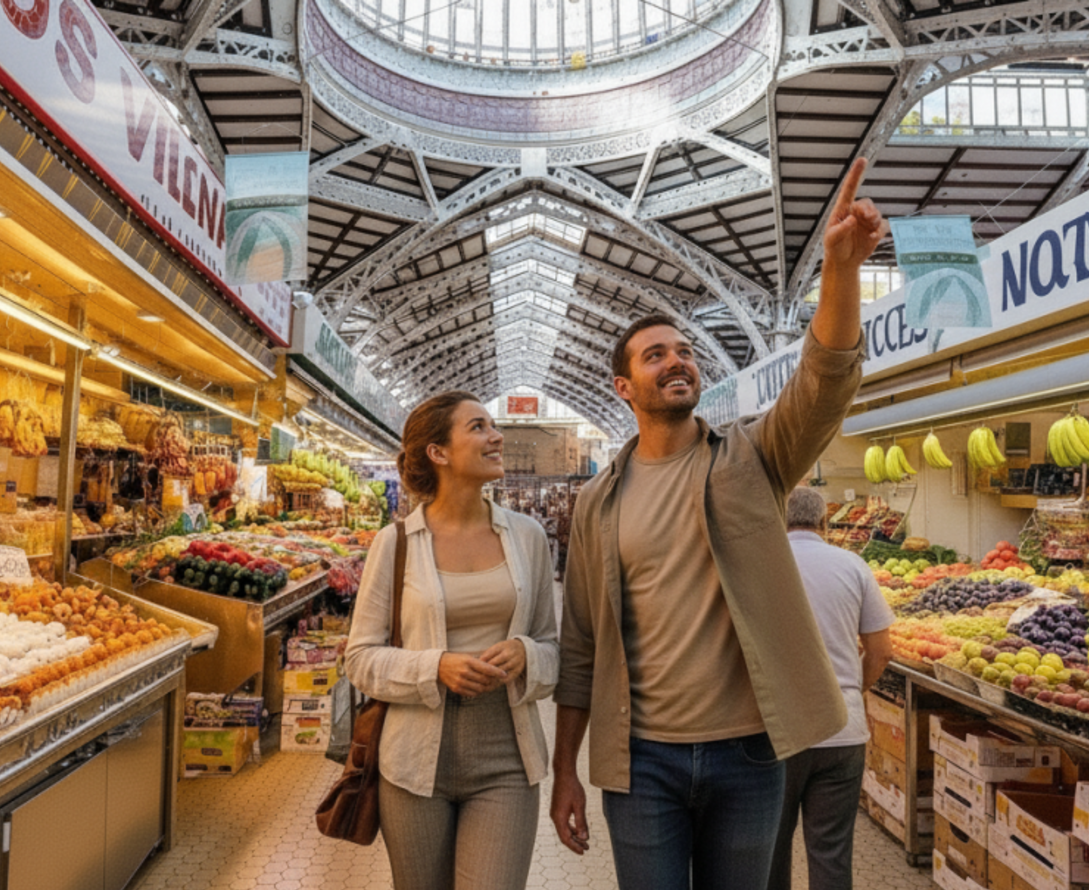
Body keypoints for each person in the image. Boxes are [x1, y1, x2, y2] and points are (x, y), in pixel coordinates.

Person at [549, 157, 887, 890]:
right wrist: (564, 771)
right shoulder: (597, 502)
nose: (678, 360)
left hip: (751, 753)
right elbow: (580, 643)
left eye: (684, 351)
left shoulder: (751, 459)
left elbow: (823, 384)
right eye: (655, 354)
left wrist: (839, 273)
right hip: (641, 761)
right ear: (623, 386)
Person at [346, 390, 559, 890]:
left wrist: (527, 654)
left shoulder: (528, 537)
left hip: (508, 759)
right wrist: (434, 667)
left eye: (493, 426)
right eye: (479, 427)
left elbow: (552, 646)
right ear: (438, 453)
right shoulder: (395, 542)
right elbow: (359, 657)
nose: (497, 436)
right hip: (415, 765)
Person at [768, 486, 894, 890]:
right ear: (824, 522)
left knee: (771, 850)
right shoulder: (853, 566)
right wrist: (854, 693)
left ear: (779, 519)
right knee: (831, 855)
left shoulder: (763, 564)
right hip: (843, 731)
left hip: (777, 733)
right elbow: (881, 652)